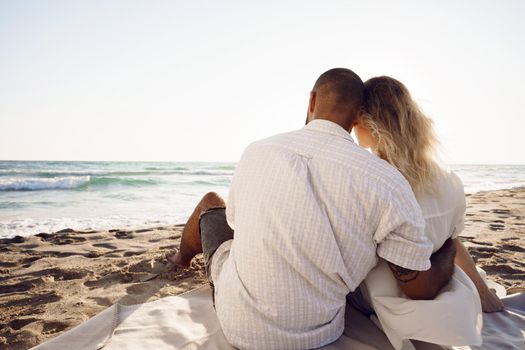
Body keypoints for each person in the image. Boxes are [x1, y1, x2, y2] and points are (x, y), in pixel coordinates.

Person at [171, 68, 456, 350]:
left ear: (311, 100)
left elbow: (235, 225)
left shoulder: (257, 151)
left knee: (211, 202)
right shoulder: (386, 181)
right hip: (318, 335)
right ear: (358, 116)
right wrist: (450, 248)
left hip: (239, 327)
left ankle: (178, 261)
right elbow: (421, 288)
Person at [353, 75, 504, 314]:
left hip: (386, 298)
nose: (351, 124)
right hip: (436, 281)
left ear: (367, 118)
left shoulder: (371, 179)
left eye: (356, 114)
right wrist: (482, 293)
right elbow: (451, 241)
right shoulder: (447, 179)